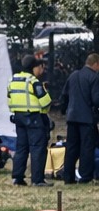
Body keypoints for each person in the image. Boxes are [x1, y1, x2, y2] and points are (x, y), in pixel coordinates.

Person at [7, 54, 53, 187]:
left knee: (21, 147)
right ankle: (37, 179)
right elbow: (45, 102)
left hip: (18, 117)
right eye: (40, 67)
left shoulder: (13, 79)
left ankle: (17, 178)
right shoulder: (33, 81)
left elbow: (9, 98)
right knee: (38, 148)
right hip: (33, 118)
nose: (41, 70)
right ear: (34, 67)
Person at [59, 53, 99, 184]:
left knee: (71, 148)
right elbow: (96, 99)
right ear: (96, 64)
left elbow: (64, 95)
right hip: (87, 119)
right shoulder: (94, 77)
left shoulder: (73, 75)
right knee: (87, 148)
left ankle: (68, 177)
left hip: (72, 117)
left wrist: (64, 110)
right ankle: (85, 176)